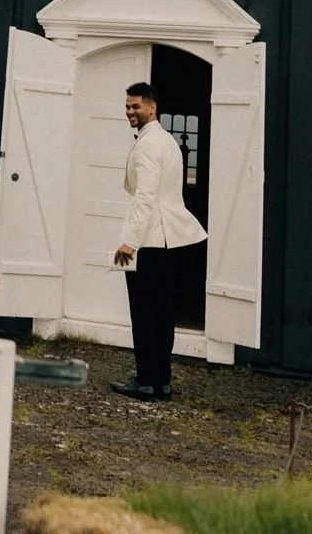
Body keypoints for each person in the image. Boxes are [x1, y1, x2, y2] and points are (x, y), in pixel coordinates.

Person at [110, 80, 207, 401]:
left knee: (145, 312)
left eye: (135, 106)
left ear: (152, 106)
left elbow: (145, 195)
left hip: (150, 240)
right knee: (163, 312)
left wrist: (130, 242)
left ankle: (146, 381)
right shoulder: (166, 141)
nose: (130, 112)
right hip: (170, 240)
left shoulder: (150, 144)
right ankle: (160, 380)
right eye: (127, 107)